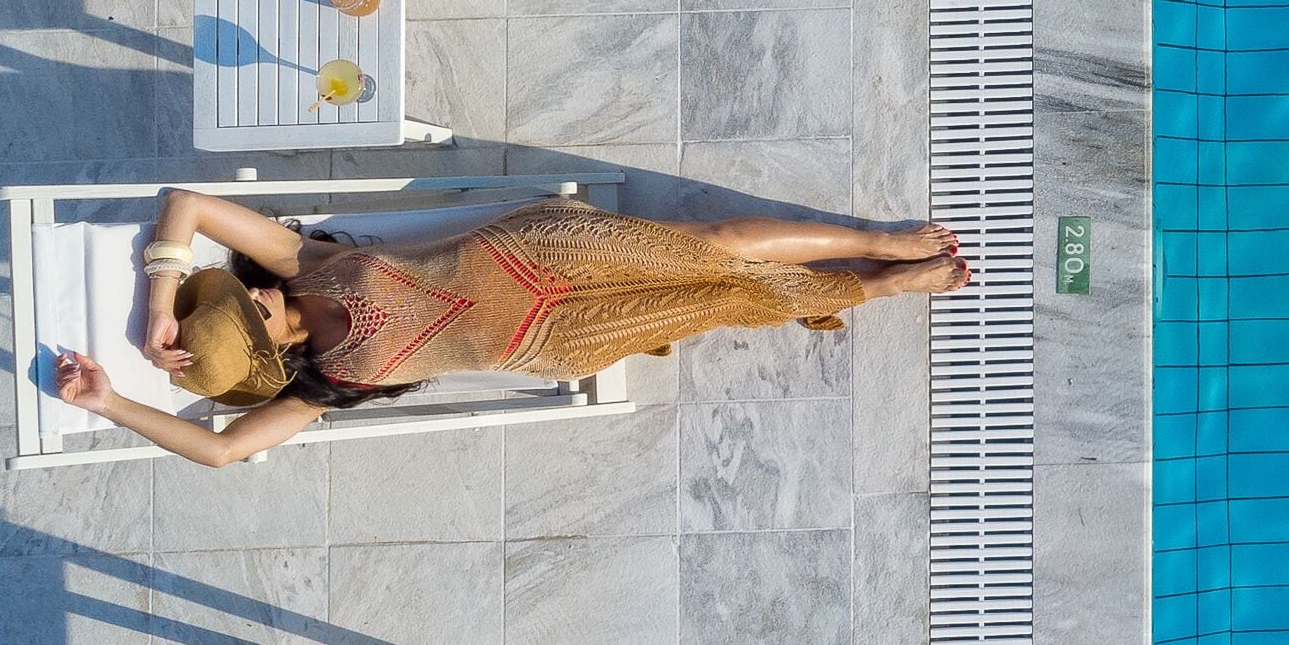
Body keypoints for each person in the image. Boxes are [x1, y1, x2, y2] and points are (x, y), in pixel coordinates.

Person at [52, 188, 968, 467]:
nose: (245, 301)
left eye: (232, 303)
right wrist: (108, 405)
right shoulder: (325, 387)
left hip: (540, 251)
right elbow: (220, 453)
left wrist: (161, 307)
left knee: (713, 247)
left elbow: (187, 204)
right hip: (550, 342)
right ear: (267, 354)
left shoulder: (301, 259)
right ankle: (873, 291)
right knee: (725, 298)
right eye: (244, 324)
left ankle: (871, 239)